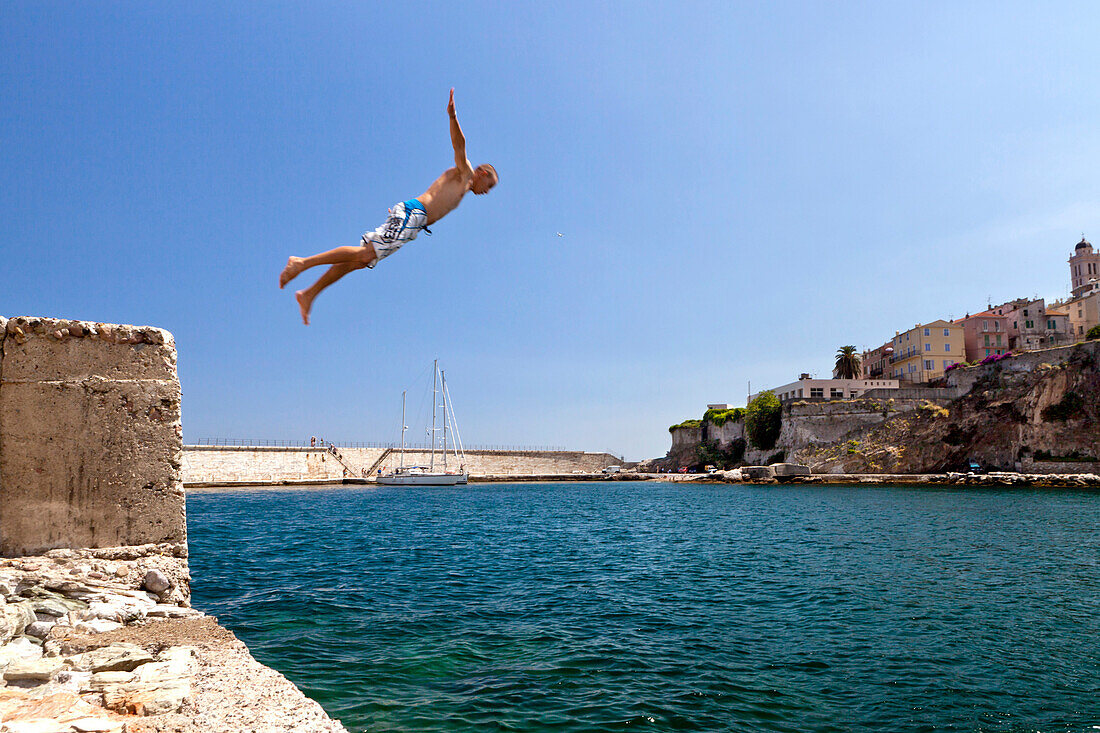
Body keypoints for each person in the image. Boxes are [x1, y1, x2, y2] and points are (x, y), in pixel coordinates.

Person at [279, 88, 498, 324]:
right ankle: (301, 263)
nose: (487, 191)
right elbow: (459, 146)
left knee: (359, 261)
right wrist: (453, 117)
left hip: (412, 222)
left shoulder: (464, 187)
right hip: (414, 213)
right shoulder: (464, 173)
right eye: (489, 185)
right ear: (482, 173)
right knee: (365, 254)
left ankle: (309, 294)